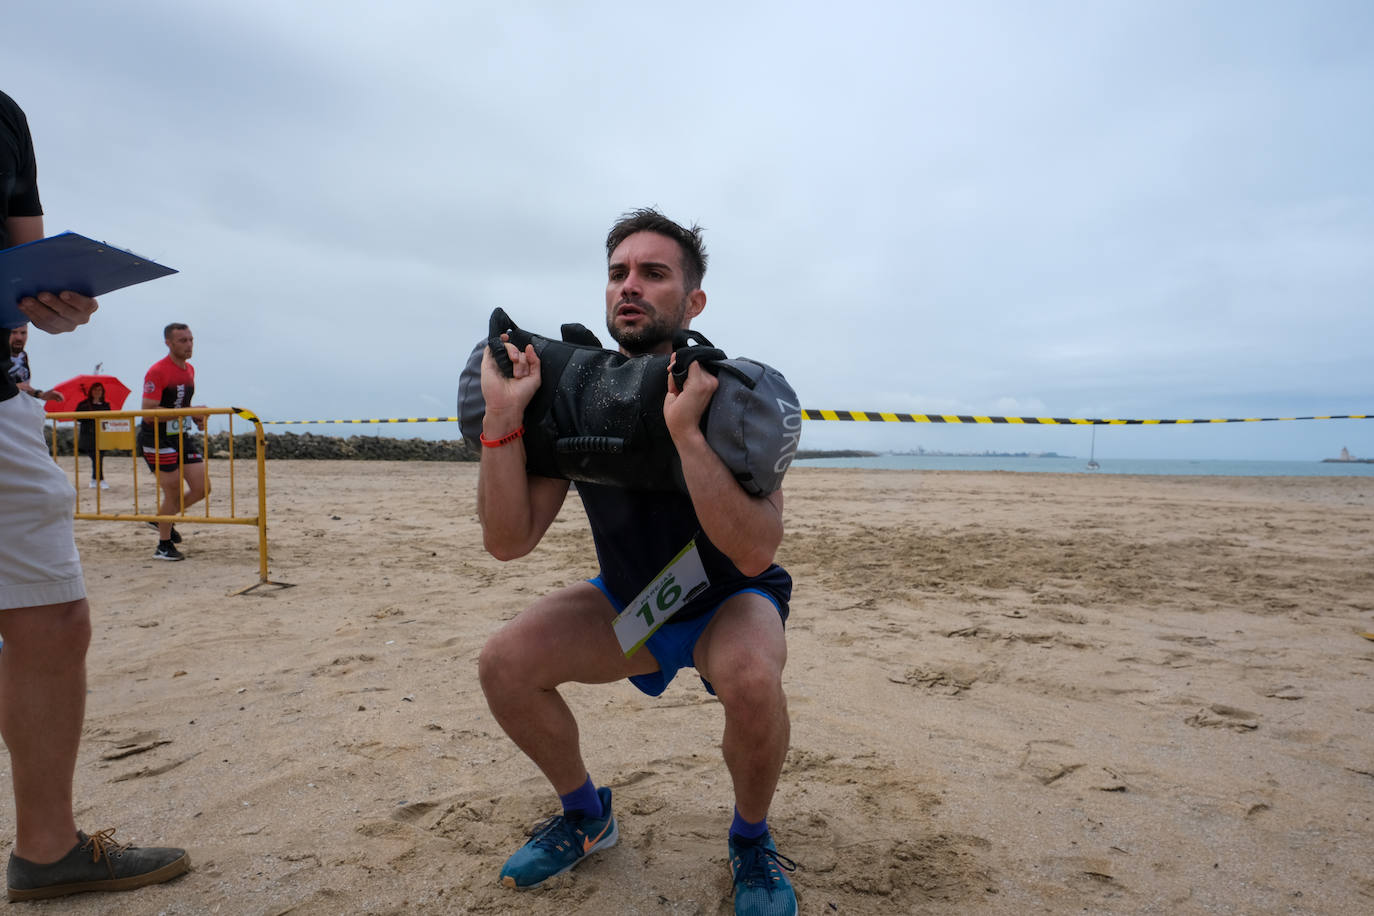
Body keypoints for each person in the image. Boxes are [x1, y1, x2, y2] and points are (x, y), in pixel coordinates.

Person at [476, 208, 798, 915]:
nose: (630, 285)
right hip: (631, 602)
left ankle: (750, 839)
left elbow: (754, 551)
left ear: (693, 300)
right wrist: (504, 419)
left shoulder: (728, 399)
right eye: (618, 272)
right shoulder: (574, 395)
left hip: (726, 601)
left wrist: (686, 435)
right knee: (504, 664)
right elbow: (507, 540)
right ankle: (586, 816)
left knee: (752, 680)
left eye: (654, 273)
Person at [1, 88, 188, 901]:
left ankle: (47, 849)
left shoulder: (5, 118)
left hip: (3, 398)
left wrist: (55, 307)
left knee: (51, 617)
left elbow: (26, 267)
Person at [138, 323, 205, 561]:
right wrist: (187, 412)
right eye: (182, 341)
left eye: (191, 339)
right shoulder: (158, 371)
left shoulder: (190, 369)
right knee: (173, 490)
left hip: (179, 435)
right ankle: (163, 545)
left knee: (201, 488)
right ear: (169, 343)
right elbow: (148, 411)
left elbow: (181, 405)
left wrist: (195, 416)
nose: (189, 345)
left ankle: (162, 520)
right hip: (156, 436)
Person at [7, 324, 64, 405]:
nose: (19, 338)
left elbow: (24, 387)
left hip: (17, 407)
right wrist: (11, 387)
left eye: (23, 333)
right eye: (14, 332)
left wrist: (41, 395)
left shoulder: (23, 356)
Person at [75, 382, 111, 489]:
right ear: (91, 391)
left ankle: (95, 479)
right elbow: (78, 418)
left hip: (102, 436)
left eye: (99, 390)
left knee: (99, 458)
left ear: (102, 392)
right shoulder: (83, 405)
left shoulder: (106, 405)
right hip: (88, 437)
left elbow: (108, 419)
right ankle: (101, 480)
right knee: (96, 458)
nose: (97, 392)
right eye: (95, 390)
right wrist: (88, 413)